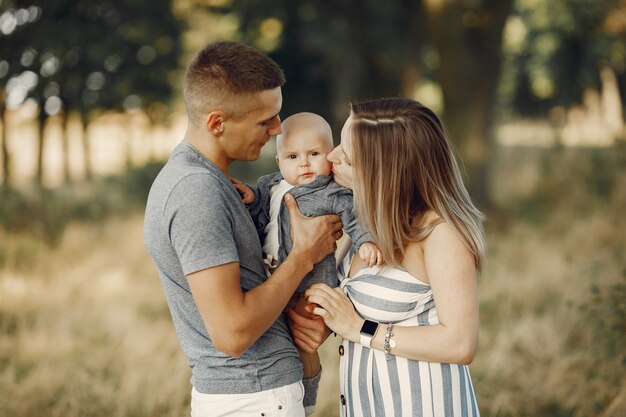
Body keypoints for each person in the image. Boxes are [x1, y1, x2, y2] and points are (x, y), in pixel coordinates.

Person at [143, 41, 342, 417]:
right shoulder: (195, 192)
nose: (277, 129)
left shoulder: (213, 182)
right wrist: (303, 256)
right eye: (265, 120)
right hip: (253, 398)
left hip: (261, 392)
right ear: (217, 123)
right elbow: (233, 333)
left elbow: (259, 284)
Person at [294, 98, 486, 417]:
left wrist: (359, 328)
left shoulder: (441, 234)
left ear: (384, 173)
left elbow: (460, 343)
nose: (331, 157)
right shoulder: (362, 220)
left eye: (349, 158)